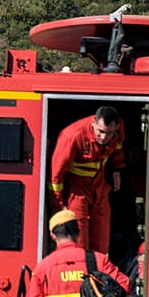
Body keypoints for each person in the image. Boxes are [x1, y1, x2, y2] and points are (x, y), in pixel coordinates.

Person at [50, 105, 124, 253]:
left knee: (102, 245)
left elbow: (117, 148)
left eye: (109, 133)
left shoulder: (118, 129)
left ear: (116, 127)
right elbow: (56, 175)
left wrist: (117, 170)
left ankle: (98, 275)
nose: (104, 137)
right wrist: (58, 205)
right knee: (79, 244)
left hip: (100, 188)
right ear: (93, 123)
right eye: (100, 132)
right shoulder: (72, 136)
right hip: (77, 191)